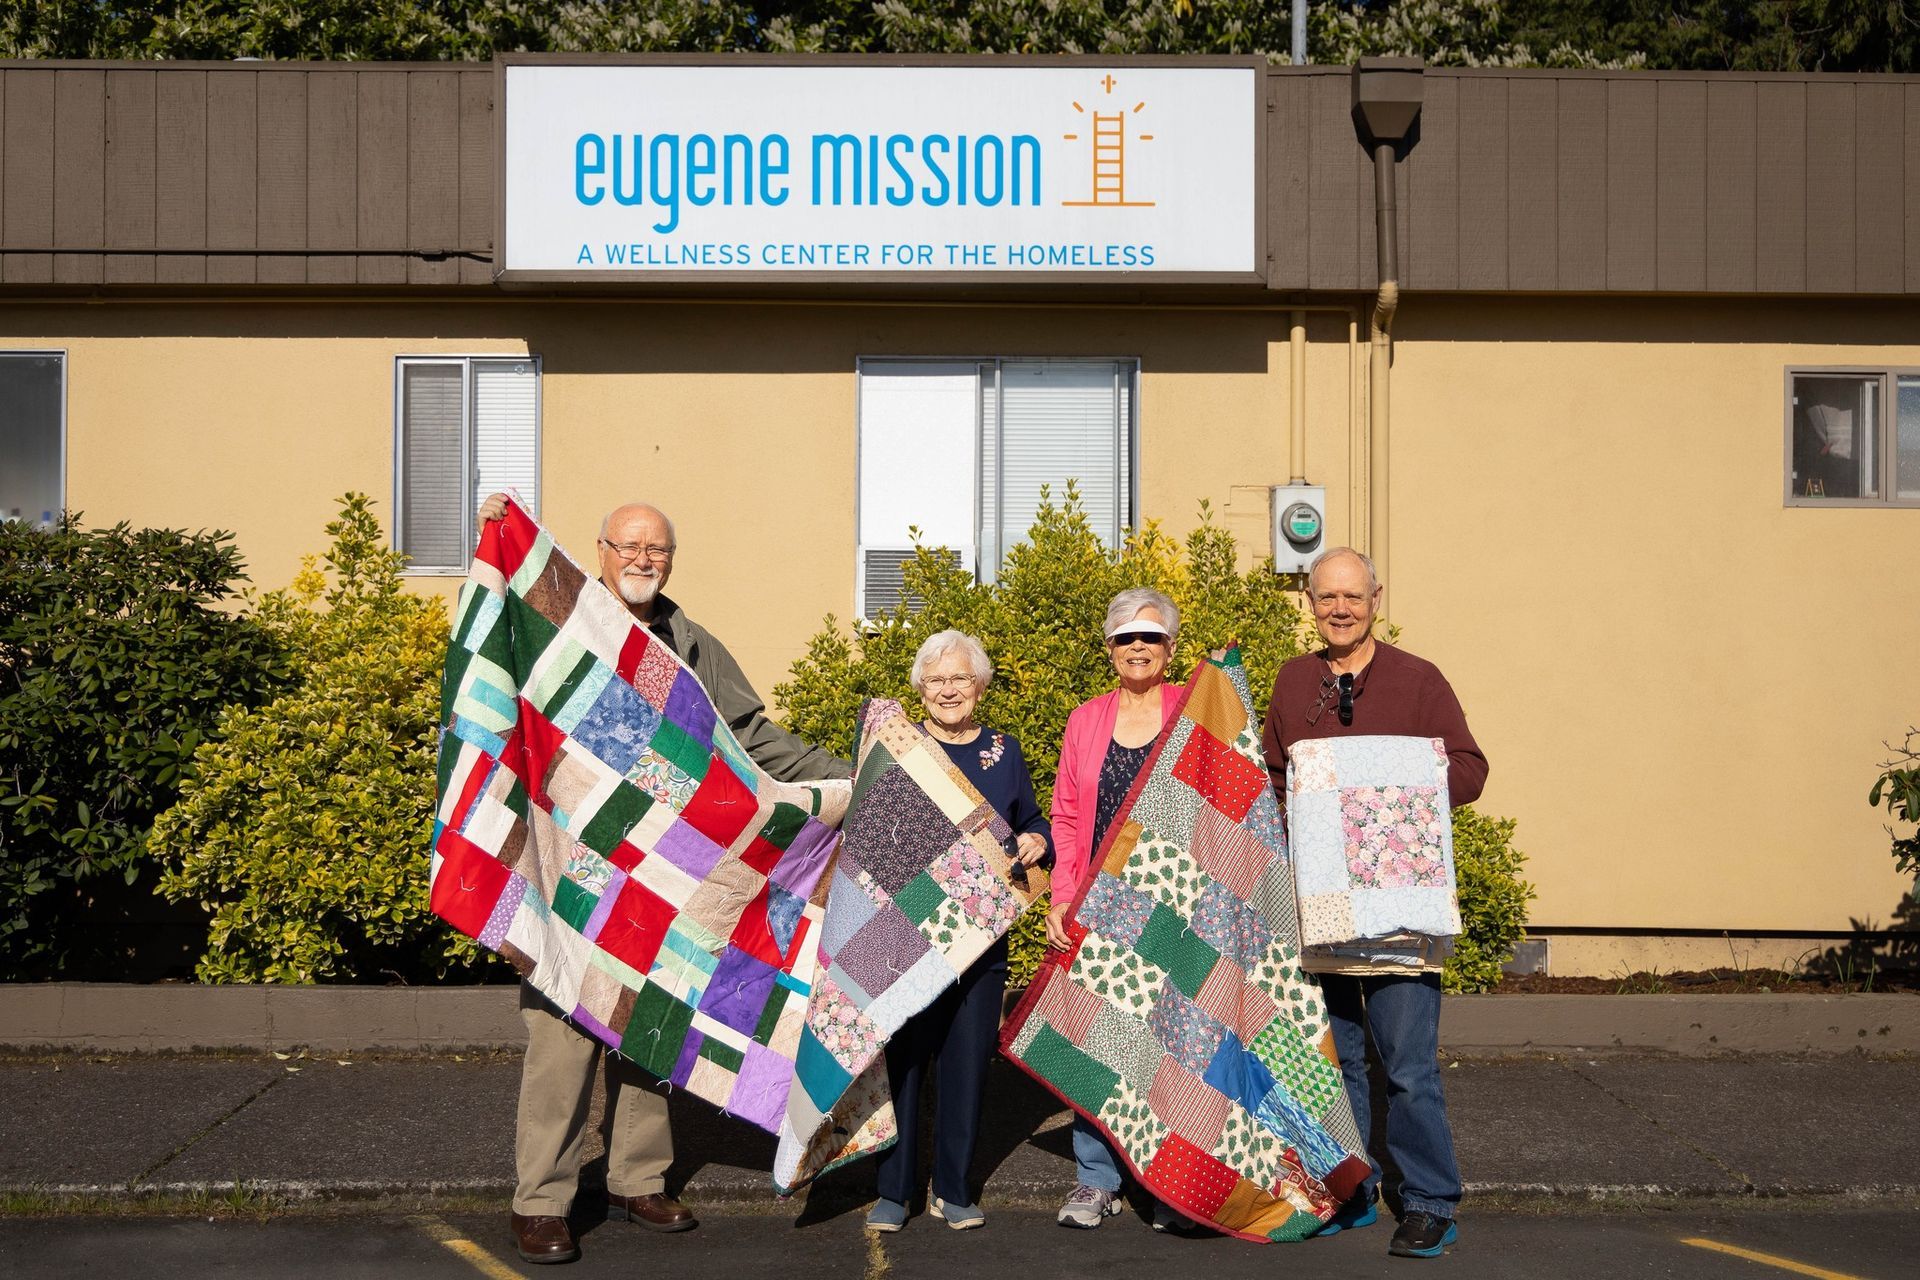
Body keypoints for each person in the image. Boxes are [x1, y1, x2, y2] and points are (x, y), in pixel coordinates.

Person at [478, 494, 852, 1266]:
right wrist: (493, 536)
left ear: (671, 562)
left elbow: (751, 737)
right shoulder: (563, 623)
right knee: (561, 1041)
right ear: (601, 550)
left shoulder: (690, 644)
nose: (643, 559)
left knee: (649, 1026)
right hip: (573, 870)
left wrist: (851, 780)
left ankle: (634, 1180)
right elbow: (497, 642)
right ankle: (540, 1201)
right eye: (629, 546)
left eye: (657, 550)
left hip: (664, 874)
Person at [1259, 547, 1487, 1260]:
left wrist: (1378, 788)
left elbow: (1470, 771)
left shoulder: (1419, 680)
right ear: (1310, 604)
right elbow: (1273, 779)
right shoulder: (1294, 680)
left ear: (1376, 600)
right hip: (1321, 905)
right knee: (1336, 1063)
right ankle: (1353, 1191)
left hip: (1399, 909)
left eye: (1352, 597)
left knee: (1409, 1068)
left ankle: (1430, 1202)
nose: (1340, 609)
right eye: (1327, 597)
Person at [865, 630, 1052, 1234]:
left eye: (960, 679)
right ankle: (894, 1191)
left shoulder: (1004, 751)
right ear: (920, 688)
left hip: (981, 936)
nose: (949, 690)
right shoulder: (898, 748)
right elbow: (871, 833)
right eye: (937, 680)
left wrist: (1037, 838)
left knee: (968, 1064)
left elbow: (1031, 817)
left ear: (979, 686)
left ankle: (953, 1188)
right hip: (907, 933)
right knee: (904, 1061)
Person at [1046, 588, 1188, 1231]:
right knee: (1097, 1041)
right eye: (1126, 636)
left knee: (1171, 1046)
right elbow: (1067, 816)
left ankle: (1168, 1182)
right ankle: (1097, 1177)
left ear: (1170, 648)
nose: (1138, 646)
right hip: (1099, 905)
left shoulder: (1193, 710)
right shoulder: (1085, 719)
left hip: (1174, 905)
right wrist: (1063, 896)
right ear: (1109, 648)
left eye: (1150, 637)